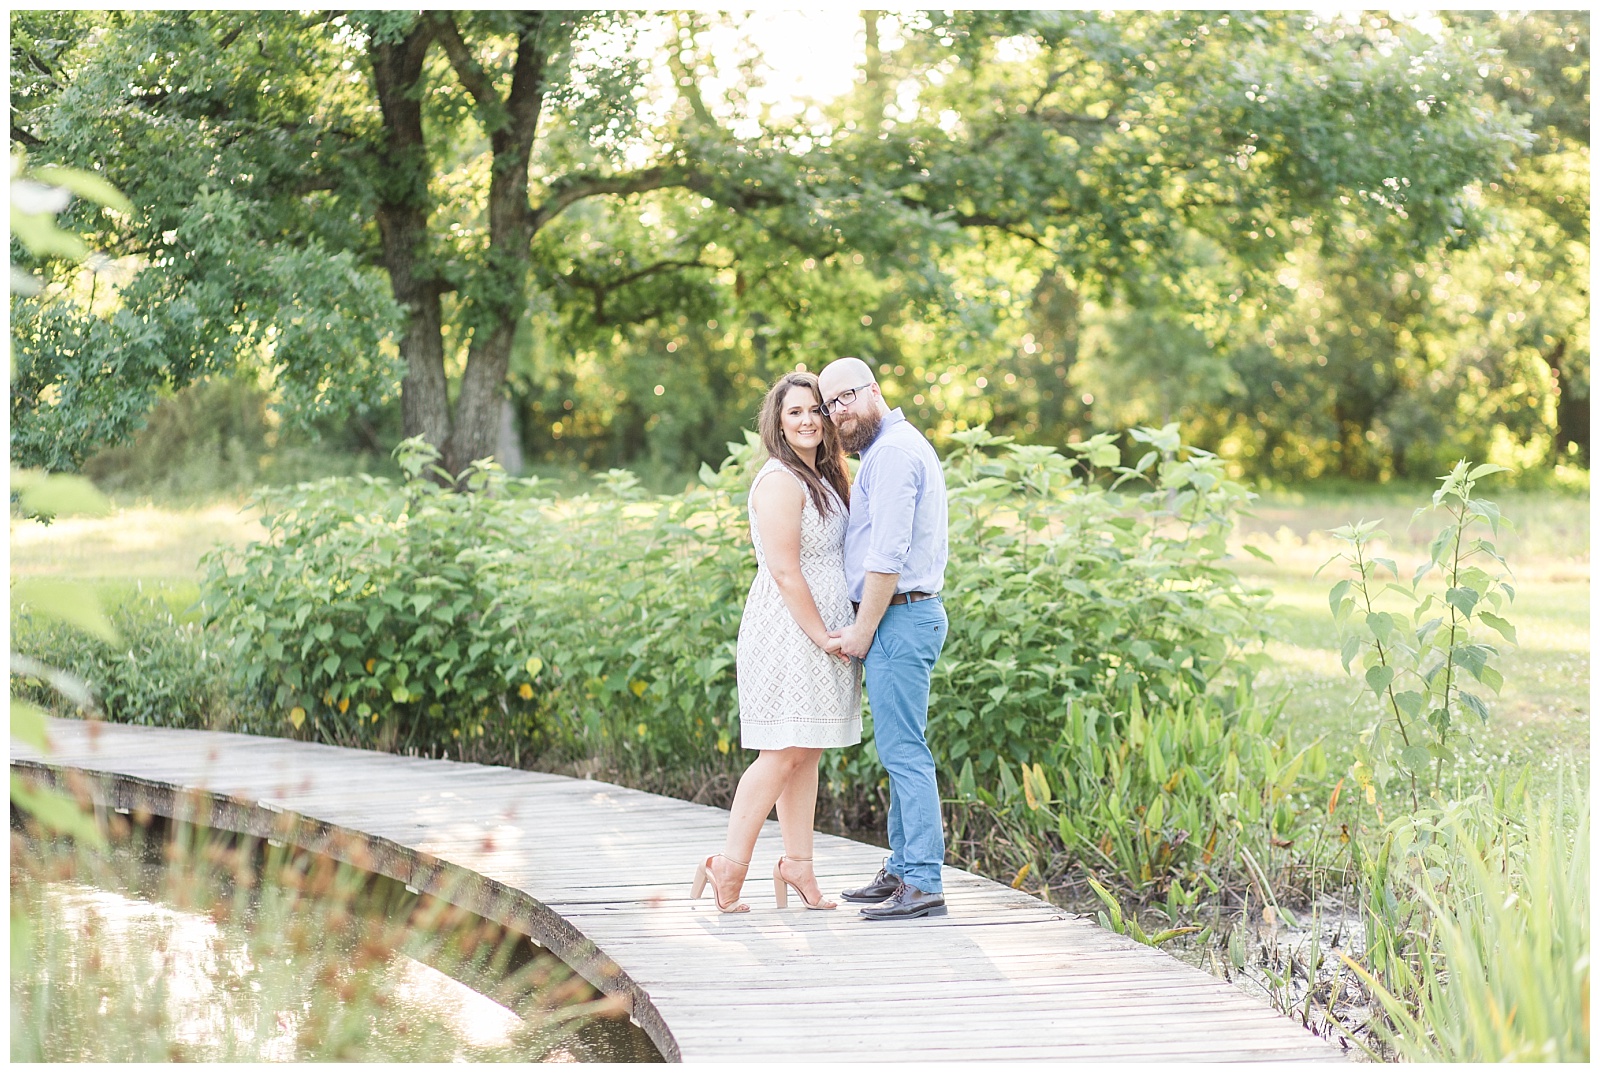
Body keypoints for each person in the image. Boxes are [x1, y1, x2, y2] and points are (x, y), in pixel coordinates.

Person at [691, 371, 862, 913]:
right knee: (783, 751)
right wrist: (822, 636)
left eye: (816, 409)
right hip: (791, 631)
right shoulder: (782, 481)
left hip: (822, 630)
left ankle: (798, 865)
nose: (809, 419)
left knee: (806, 751)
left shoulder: (826, 476)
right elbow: (787, 572)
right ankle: (728, 866)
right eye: (795, 412)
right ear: (778, 422)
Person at [818, 356, 950, 921]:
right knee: (899, 750)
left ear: (874, 390)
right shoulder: (888, 448)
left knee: (905, 753)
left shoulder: (893, 453)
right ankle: (901, 870)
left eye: (847, 397)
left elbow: (888, 553)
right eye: (830, 406)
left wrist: (862, 630)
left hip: (898, 616)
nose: (838, 413)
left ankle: (922, 881)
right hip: (899, 618)